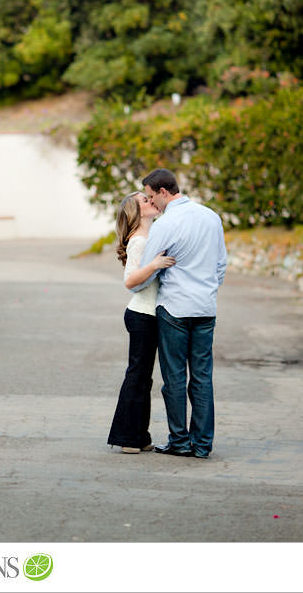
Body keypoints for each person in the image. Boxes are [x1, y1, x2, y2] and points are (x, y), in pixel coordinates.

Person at [130, 168, 227, 459]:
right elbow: (221, 265)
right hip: (205, 307)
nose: (151, 203)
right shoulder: (212, 217)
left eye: (150, 196)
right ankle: (202, 445)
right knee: (202, 376)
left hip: (173, 308)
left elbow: (146, 273)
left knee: (173, 377)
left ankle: (180, 441)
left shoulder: (165, 223)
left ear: (163, 192)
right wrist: (207, 289)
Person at [107, 191, 176, 454]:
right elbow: (130, 281)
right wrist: (156, 264)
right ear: (136, 212)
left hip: (149, 315)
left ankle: (139, 436)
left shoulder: (150, 236)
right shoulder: (138, 241)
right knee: (137, 375)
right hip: (141, 316)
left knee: (142, 377)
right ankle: (127, 438)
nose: (151, 202)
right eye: (145, 201)